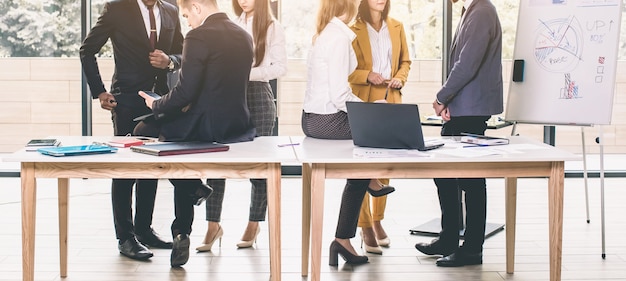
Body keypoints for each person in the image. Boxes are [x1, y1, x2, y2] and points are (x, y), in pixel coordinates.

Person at [133, 0, 256, 267]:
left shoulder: (199, 36)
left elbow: (185, 92)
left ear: (198, 7)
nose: (187, 20)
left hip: (208, 124)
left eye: (187, 14)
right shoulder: (244, 35)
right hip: (238, 124)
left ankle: (187, 209)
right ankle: (185, 216)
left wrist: (156, 104)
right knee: (178, 145)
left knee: (145, 129)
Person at [79, 0, 184, 261]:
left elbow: (183, 52)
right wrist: (100, 91)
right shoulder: (117, 8)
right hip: (125, 100)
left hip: (160, 100)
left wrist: (170, 61)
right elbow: (87, 50)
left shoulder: (171, 10)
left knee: (151, 165)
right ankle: (125, 237)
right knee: (125, 168)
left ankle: (144, 229)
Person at [301, 0, 396, 266]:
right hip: (326, 120)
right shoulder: (338, 38)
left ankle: (343, 240)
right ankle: (371, 179)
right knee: (377, 126)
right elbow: (339, 94)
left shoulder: (326, 33)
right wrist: (369, 109)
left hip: (313, 118)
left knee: (359, 165)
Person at [414, 0, 503, 267]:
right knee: (444, 173)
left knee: (472, 181)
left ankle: (472, 248)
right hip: (464, 107)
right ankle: (450, 237)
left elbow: (467, 64)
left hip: (473, 110)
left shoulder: (483, 11)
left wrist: (442, 98)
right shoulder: (471, 11)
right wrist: (451, 103)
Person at [197, 0, 287, 252]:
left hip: (258, 96)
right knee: (218, 160)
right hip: (228, 96)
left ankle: (254, 223)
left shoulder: (272, 26)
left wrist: (245, 73)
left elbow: (281, 67)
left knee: (259, 166)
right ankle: (213, 225)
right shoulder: (231, 24)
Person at [348, 0, 411, 254]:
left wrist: (400, 78)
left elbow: (406, 61)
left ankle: (377, 220)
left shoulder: (397, 26)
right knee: (362, 166)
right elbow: (346, 70)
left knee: (385, 165)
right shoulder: (352, 29)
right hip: (363, 99)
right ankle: (364, 226)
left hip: (390, 99)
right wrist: (367, 74)